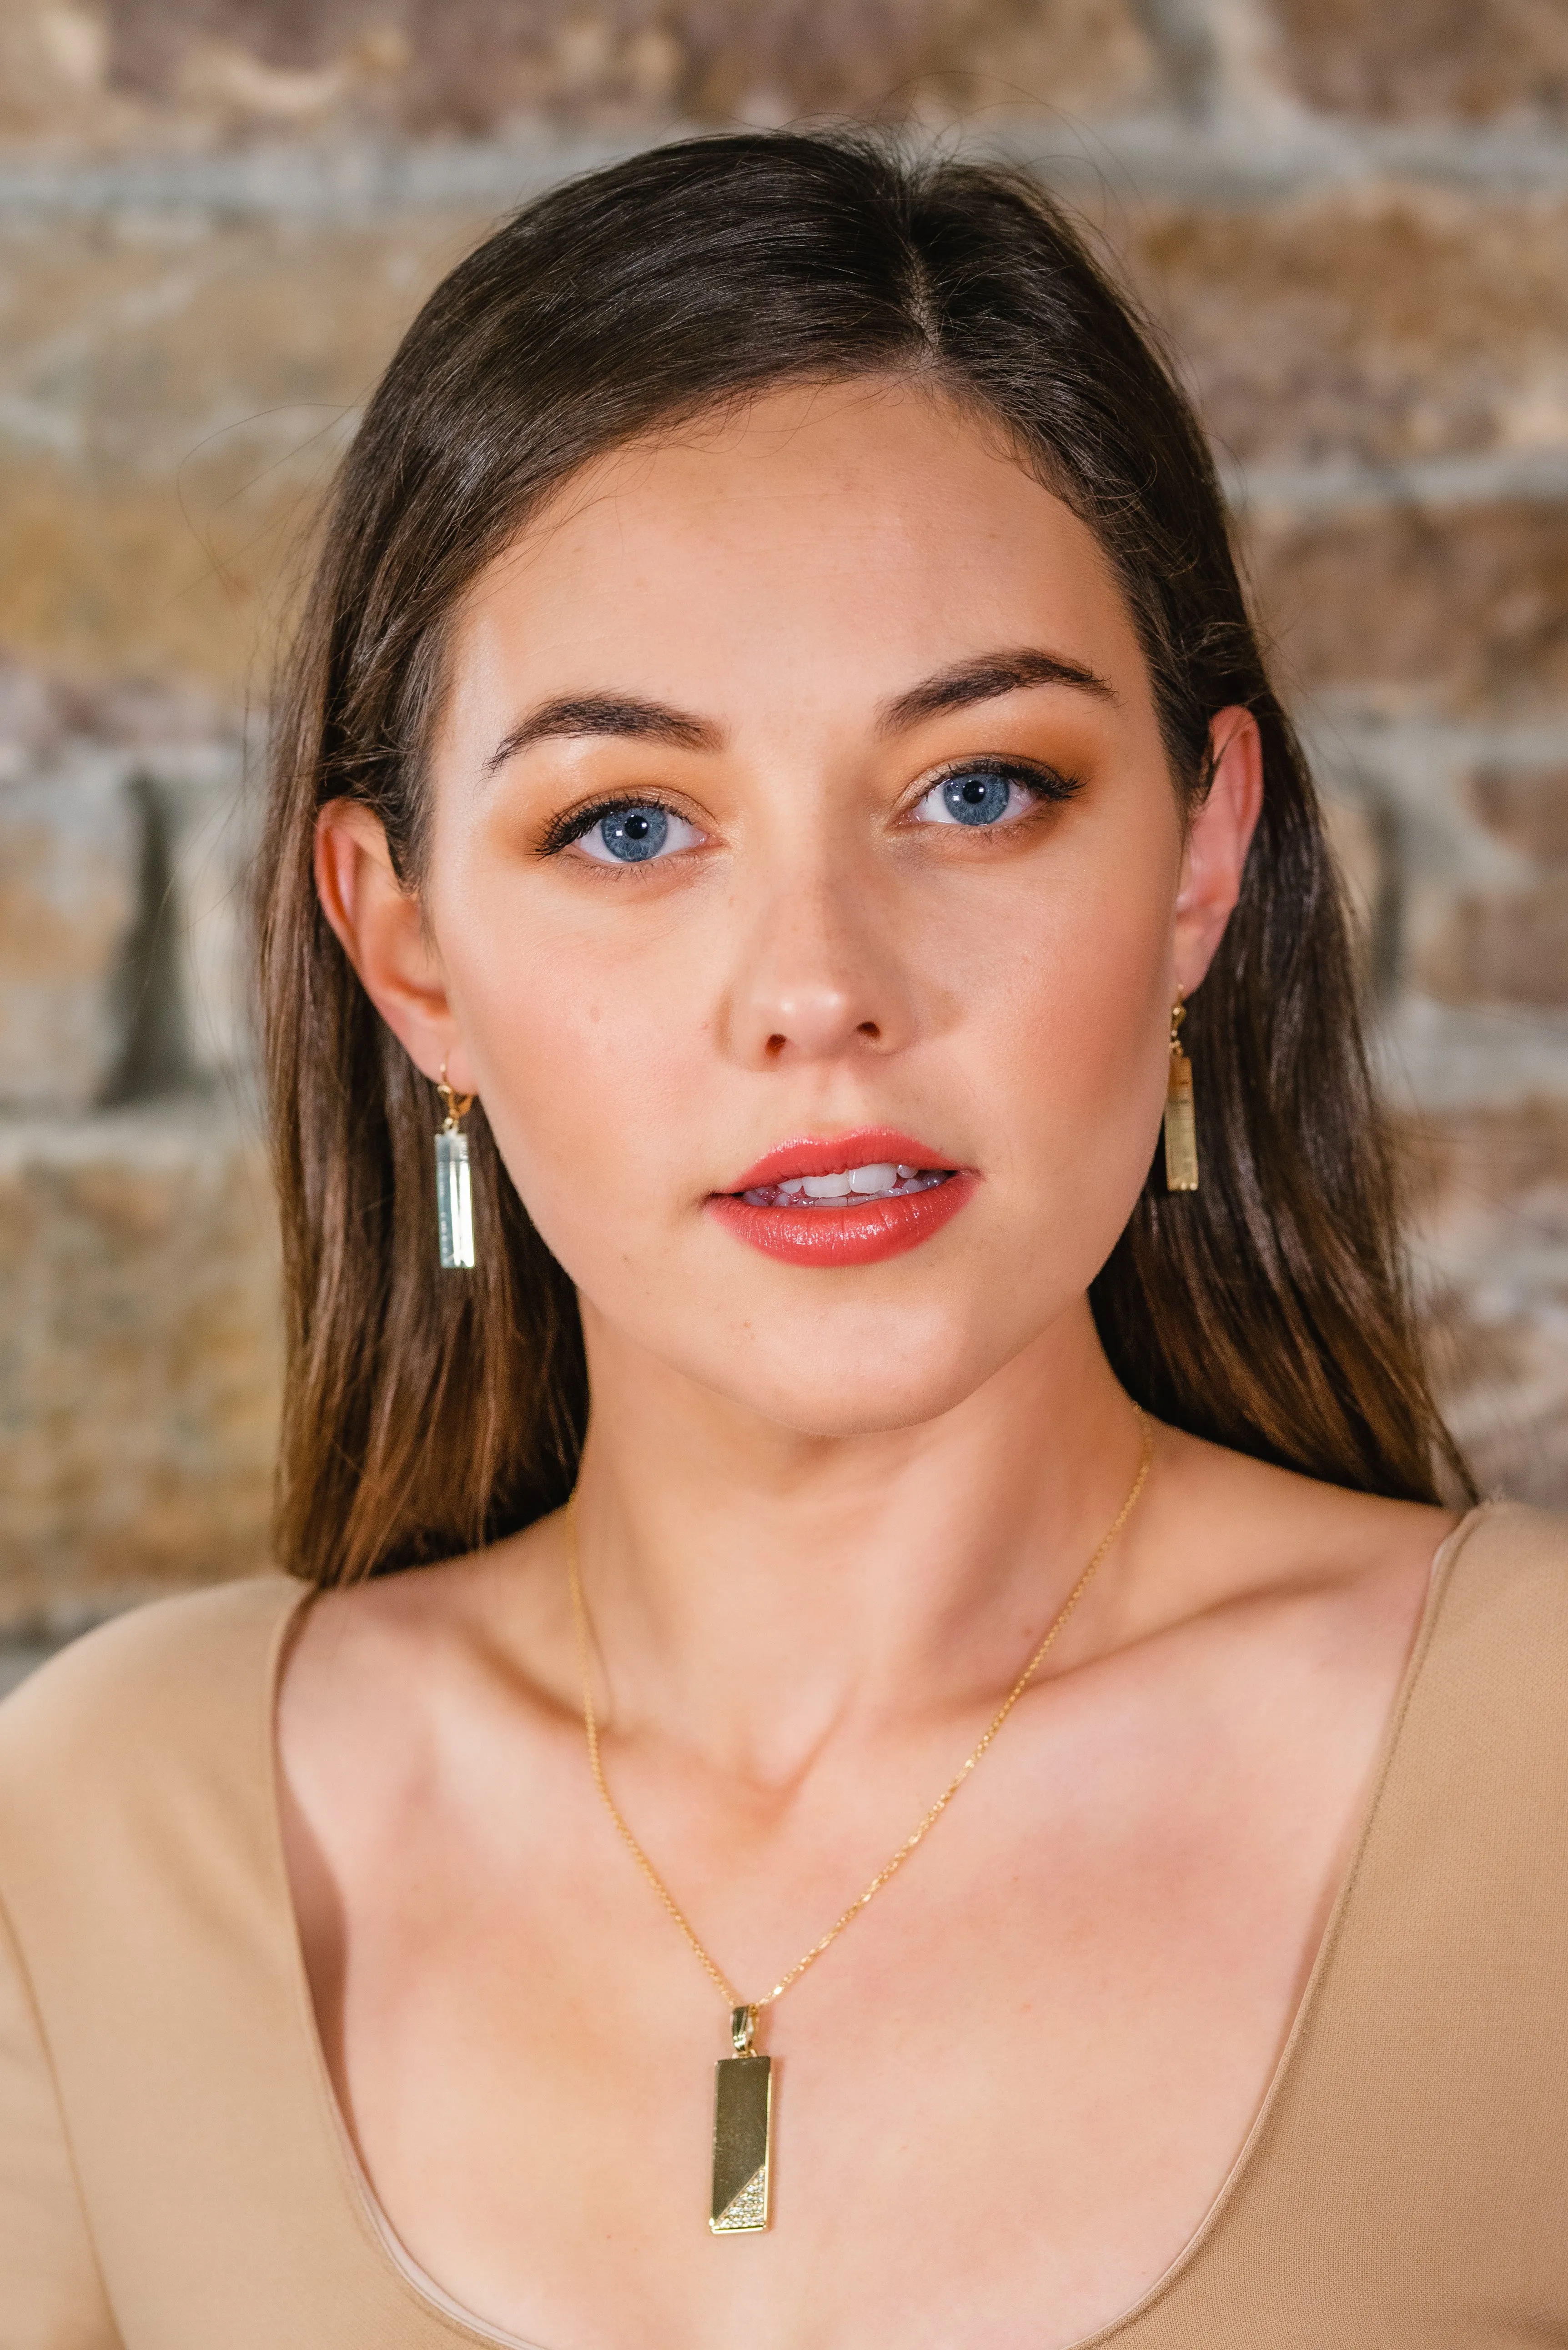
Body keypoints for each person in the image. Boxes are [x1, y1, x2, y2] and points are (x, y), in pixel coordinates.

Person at [2, 130, 1564, 2350]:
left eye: (979, 789)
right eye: (627, 824)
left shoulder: (1536, 1781)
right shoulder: (106, 1846)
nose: (819, 981)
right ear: (408, 946)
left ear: (1203, 856)